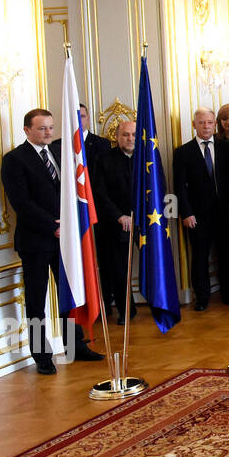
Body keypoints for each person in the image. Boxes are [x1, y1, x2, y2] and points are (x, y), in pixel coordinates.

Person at [1, 109, 104, 373]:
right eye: (42, 128)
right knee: (36, 301)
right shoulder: (14, 159)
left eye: (50, 127)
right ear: (27, 130)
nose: (48, 133)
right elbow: (21, 203)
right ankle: (42, 356)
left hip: (65, 240)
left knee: (70, 295)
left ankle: (76, 346)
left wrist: (69, 225)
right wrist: (51, 226)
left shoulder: (60, 153)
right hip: (36, 242)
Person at [174, 108, 229, 310]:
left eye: (209, 122)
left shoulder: (227, 148)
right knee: (199, 258)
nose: (206, 126)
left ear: (215, 125)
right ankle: (202, 298)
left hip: (226, 213)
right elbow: (180, 186)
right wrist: (186, 213)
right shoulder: (182, 152)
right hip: (198, 216)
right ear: (194, 125)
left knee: (228, 256)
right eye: (201, 122)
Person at [94, 119, 138, 322]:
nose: (130, 138)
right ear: (117, 137)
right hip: (116, 224)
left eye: (133, 134)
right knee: (119, 271)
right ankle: (126, 310)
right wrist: (119, 216)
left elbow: (159, 188)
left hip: (145, 222)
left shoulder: (148, 158)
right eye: (125, 135)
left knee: (154, 266)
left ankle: (160, 306)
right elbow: (100, 194)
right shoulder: (104, 160)